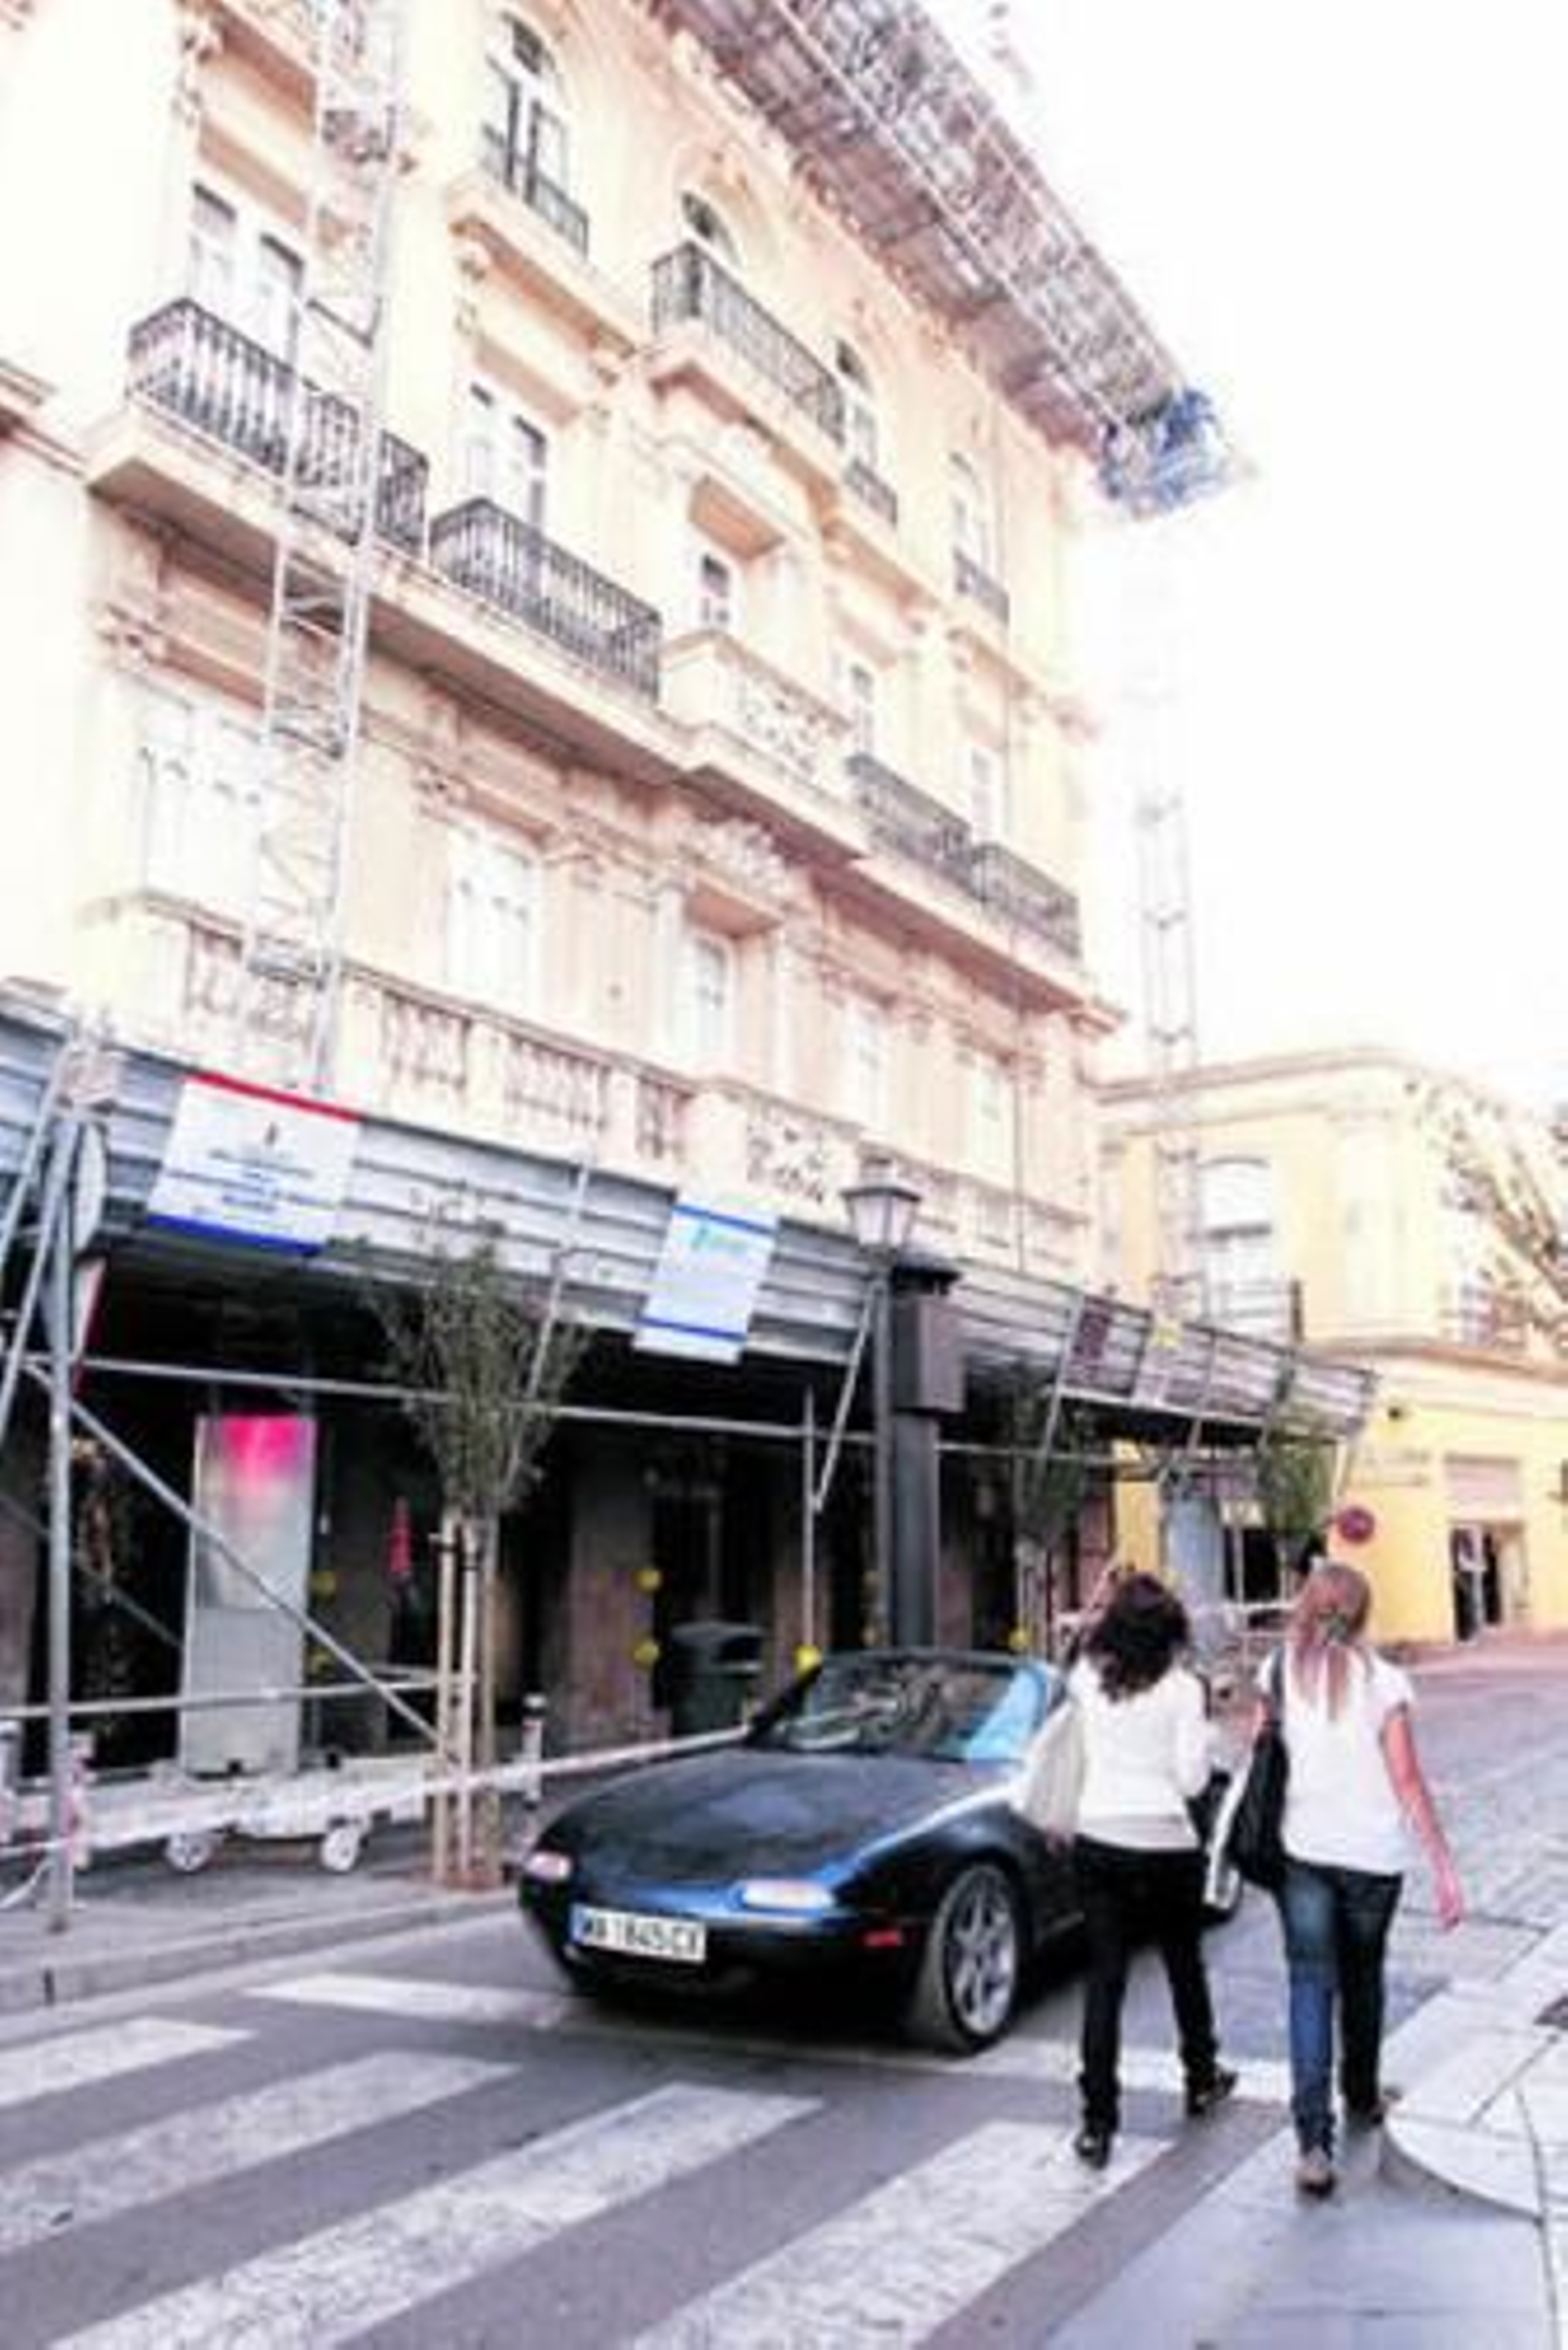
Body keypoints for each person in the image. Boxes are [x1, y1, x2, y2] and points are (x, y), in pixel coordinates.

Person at [1263, 1558, 1464, 2199]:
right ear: (1363, 1612)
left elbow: (1265, 1756)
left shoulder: (1279, 1674)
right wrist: (1443, 1866)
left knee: (1309, 1986)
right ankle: (1361, 2093)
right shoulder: (1386, 1682)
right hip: (1373, 1860)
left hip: (1305, 1853)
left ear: (1307, 1607)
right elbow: (1407, 1780)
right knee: (1363, 1977)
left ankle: (1314, 2145)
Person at [1069, 1570, 1236, 2169]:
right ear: (1170, 1631)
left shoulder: (1086, 1678)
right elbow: (1193, 1779)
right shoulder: (1183, 1688)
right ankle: (1200, 2075)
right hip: (1165, 1839)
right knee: (1183, 1966)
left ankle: (1097, 2121)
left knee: (1104, 1982)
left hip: (1098, 1833)